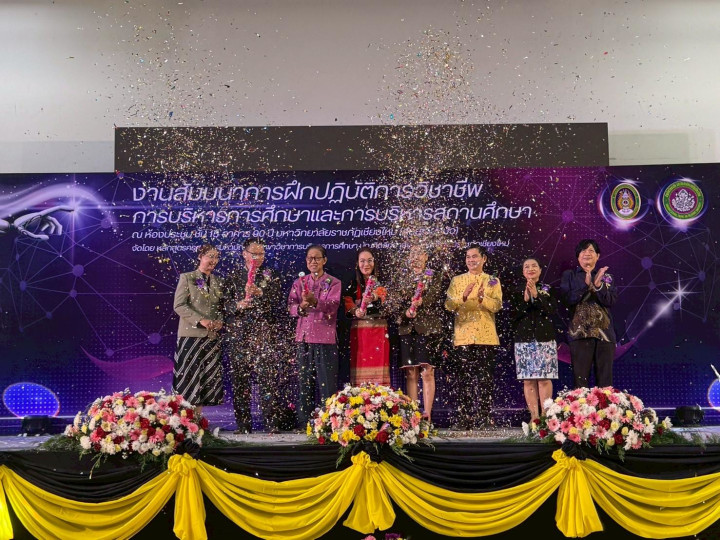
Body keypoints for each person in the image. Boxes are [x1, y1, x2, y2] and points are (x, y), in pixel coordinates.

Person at [222, 237, 284, 434]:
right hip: (238, 335)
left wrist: (260, 293)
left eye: (261, 254)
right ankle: (243, 426)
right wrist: (238, 305)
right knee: (240, 381)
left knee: (267, 380)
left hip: (263, 334)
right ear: (244, 254)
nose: (258, 258)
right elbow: (223, 305)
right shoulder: (233, 276)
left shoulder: (270, 274)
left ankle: (271, 424)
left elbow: (278, 301)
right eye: (254, 254)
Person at [445, 245, 502, 429]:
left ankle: (484, 418)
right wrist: (463, 297)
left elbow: (497, 306)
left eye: (475, 256)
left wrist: (482, 299)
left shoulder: (492, 280)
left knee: (485, 379)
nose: (471, 260)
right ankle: (464, 418)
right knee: (463, 380)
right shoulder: (457, 280)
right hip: (463, 336)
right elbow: (448, 305)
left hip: (486, 337)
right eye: (468, 257)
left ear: (484, 259)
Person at [288, 244, 341, 428]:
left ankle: (329, 424)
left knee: (327, 384)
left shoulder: (333, 282)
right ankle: (304, 424)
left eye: (317, 258)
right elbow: (291, 307)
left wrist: (315, 301)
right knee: (304, 383)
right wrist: (301, 307)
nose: (313, 261)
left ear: (324, 260)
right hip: (303, 338)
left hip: (325, 339)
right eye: (310, 258)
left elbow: (333, 306)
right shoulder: (299, 282)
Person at [389, 244, 444, 423]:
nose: (416, 257)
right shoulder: (401, 277)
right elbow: (395, 302)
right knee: (411, 373)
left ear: (426, 256)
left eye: (420, 253)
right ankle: (414, 416)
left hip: (427, 328)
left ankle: (427, 416)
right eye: (413, 253)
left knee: (427, 372)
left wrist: (422, 302)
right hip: (407, 328)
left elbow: (435, 296)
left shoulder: (433, 275)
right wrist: (406, 312)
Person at [172, 244, 224, 416]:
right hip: (190, 337)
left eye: (216, 257)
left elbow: (222, 307)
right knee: (188, 382)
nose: (213, 260)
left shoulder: (219, 281)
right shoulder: (187, 277)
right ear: (200, 256)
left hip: (211, 338)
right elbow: (179, 305)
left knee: (204, 382)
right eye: (210, 256)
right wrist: (200, 320)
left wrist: (220, 321)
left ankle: (197, 422)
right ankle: (183, 422)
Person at [560, 239, 618, 388]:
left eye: (591, 250)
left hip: (604, 334)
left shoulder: (606, 277)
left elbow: (611, 301)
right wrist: (585, 287)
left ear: (598, 256)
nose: (587, 253)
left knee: (605, 383)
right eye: (583, 250)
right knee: (580, 382)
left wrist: (598, 286)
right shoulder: (570, 275)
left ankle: (605, 404)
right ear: (578, 256)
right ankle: (580, 404)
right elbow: (567, 300)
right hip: (579, 334)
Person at [510, 258, 558, 421]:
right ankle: (534, 417)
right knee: (528, 380)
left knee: (544, 379)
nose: (530, 269)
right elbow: (513, 315)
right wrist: (525, 299)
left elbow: (551, 310)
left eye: (534, 266)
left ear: (540, 270)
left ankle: (545, 417)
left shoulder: (548, 288)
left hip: (544, 339)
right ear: (523, 271)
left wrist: (537, 296)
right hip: (524, 340)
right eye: (527, 267)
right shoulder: (516, 290)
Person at [343, 247, 390, 386]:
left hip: (379, 329)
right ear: (357, 263)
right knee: (360, 365)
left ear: (374, 262)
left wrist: (374, 296)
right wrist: (355, 311)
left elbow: (383, 294)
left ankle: (381, 396)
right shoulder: (352, 282)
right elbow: (347, 301)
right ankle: (359, 396)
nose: (366, 264)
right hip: (360, 331)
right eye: (362, 261)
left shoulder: (382, 280)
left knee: (379, 364)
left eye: (370, 260)